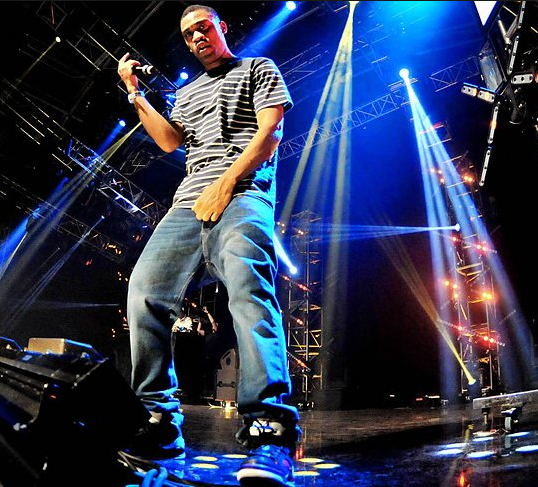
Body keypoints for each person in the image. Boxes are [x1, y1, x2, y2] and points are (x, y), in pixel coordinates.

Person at [117, 4, 300, 486]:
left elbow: (271, 132)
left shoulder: (258, 68)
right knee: (144, 293)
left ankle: (270, 428)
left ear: (222, 28)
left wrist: (226, 183)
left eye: (204, 28)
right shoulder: (188, 91)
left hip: (243, 193)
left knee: (247, 289)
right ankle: (159, 421)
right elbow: (169, 141)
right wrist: (135, 93)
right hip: (187, 204)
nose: (197, 37)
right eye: (188, 34)